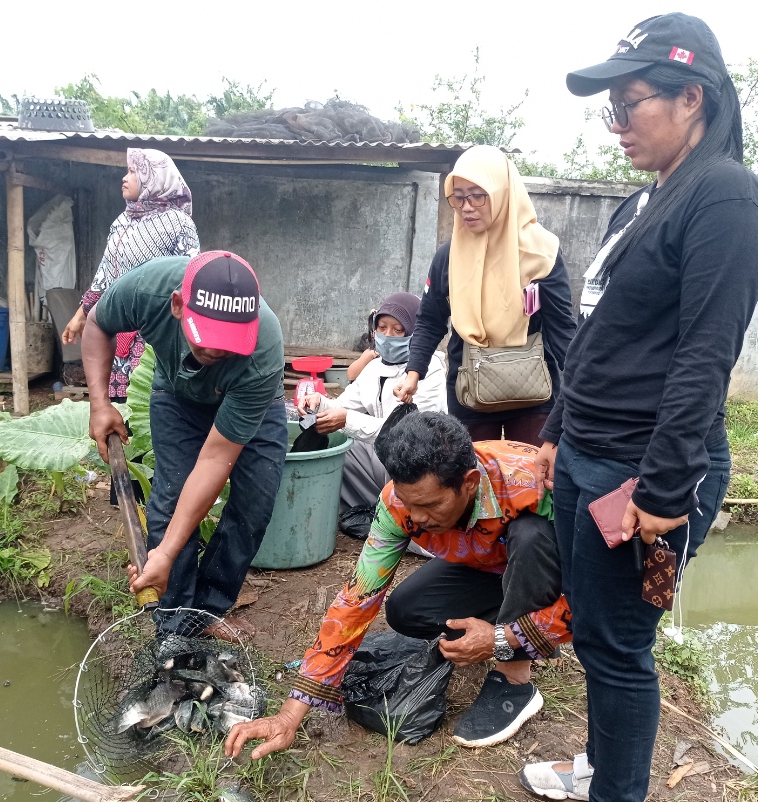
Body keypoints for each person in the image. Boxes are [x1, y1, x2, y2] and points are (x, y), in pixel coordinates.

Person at [520, 14, 758, 802]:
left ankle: (615, 793)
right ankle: (599, 771)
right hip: (591, 453)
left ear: (691, 96)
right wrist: (558, 433)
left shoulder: (727, 200)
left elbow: (706, 354)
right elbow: (597, 336)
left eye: (629, 105)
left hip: (643, 470)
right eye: (610, 109)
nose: (617, 125)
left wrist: (667, 491)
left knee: (620, 646)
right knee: (597, 637)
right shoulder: (642, 204)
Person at [224, 411, 572, 760]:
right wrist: (289, 714)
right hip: (486, 567)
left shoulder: (536, 484)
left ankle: (514, 679)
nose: (417, 518)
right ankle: (527, 621)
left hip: (548, 563)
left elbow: (601, 594)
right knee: (407, 610)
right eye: (409, 503)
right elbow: (357, 598)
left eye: (430, 505)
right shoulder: (397, 503)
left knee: (532, 537)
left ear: (468, 483)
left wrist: (503, 638)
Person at [83, 251, 287, 642]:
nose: (214, 352)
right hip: (177, 394)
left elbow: (216, 457)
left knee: (255, 504)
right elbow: (97, 324)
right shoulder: (148, 289)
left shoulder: (263, 346)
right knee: (172, 495)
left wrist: (164, 551)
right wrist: (99, 404)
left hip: (253, 400)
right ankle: (174, 622)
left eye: (227, 343)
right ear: (178, 305)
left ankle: (208, 610)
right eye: (205, 337)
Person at [393, 146, 575, 444]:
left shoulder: (541, 253)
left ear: (502, 193)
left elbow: (560, 326)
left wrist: (581, 384)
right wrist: (414, 372)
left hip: (533, 391)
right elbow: (430, 321)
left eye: (478, 195)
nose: (466, 206)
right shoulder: (449, 257)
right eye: (459, 196)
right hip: (469, 388)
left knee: (530, 476)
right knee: (472, 477)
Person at [63, 148, 199, 401]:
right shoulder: (122, 221)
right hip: (117, 326)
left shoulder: (179, 223)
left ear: (153, 178)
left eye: (134, 172)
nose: (125, 178)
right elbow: (105, 273)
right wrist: (80, 315)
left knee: (149, 402)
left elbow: (188, 278)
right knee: (117, 404)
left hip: (154, 333)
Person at [297, 291, 447, 511]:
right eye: (382, 327)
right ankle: (373, 509)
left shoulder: (429, 370)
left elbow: (406, 433)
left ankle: (403, 514)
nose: (388, 336)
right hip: (384, 455)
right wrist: (319, 403)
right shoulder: (374, 368)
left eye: (398, 330)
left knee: (393, 449)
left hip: (420, 461)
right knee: (339, 444)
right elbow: (344, 406)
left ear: (415, 333)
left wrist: (346, 420)